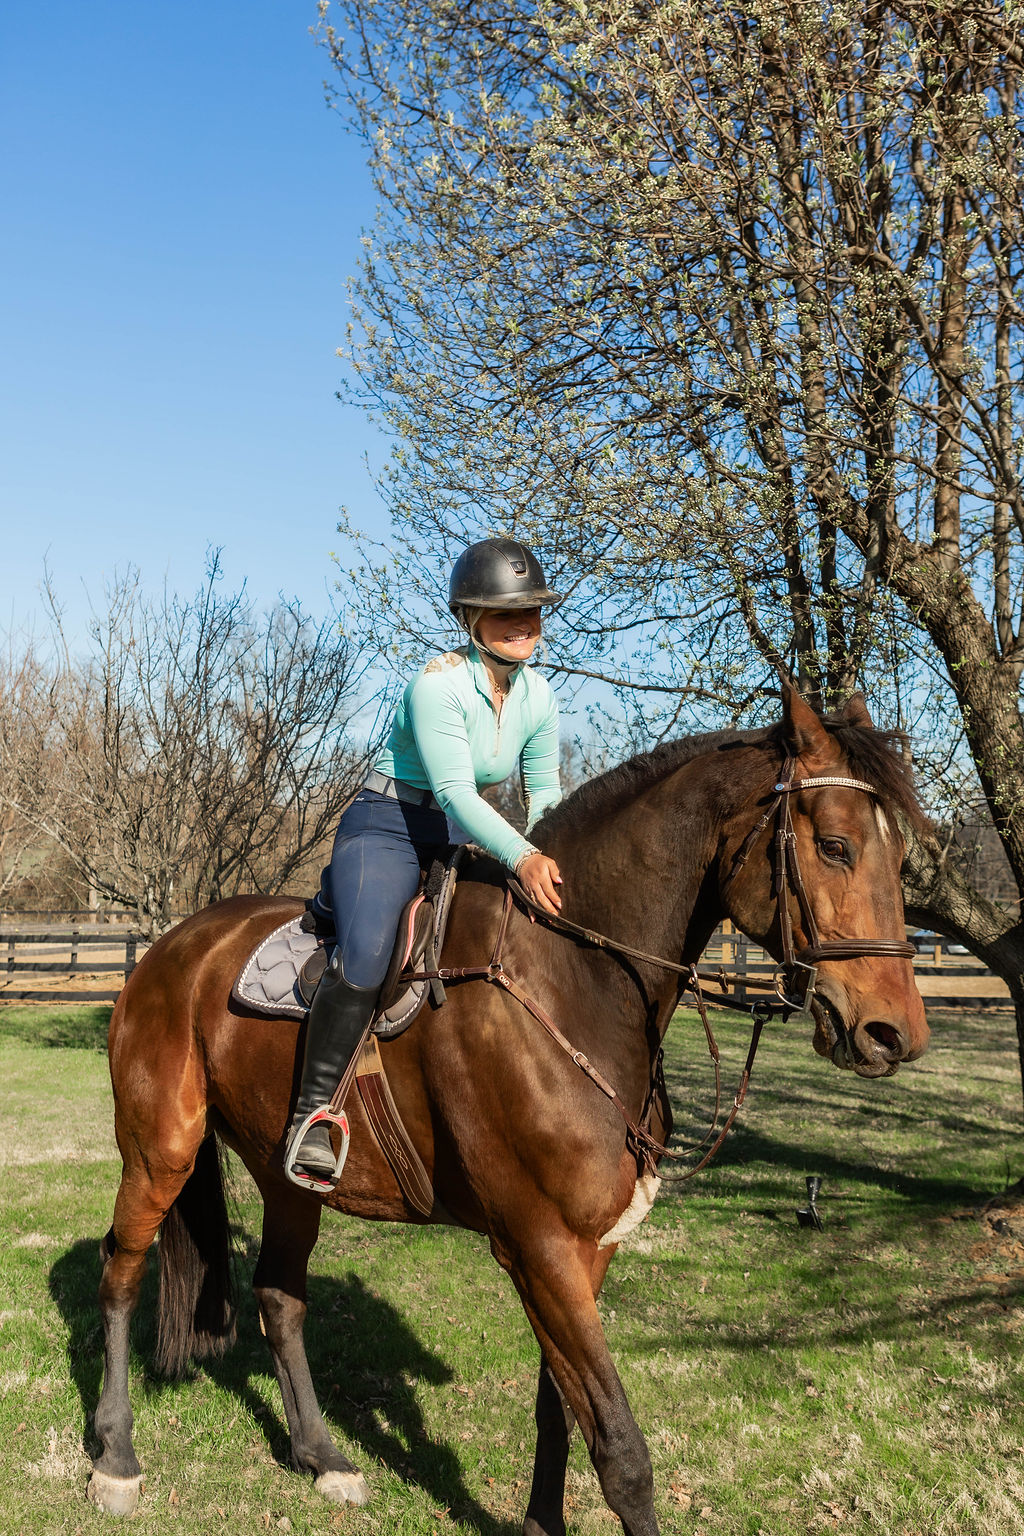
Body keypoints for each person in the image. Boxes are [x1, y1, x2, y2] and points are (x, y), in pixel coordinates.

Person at [284, 536, 565, 1191]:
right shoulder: (437, 685)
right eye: (505, 613)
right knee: (368, 955)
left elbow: (543, 788)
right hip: (388, 824)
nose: (525, 623)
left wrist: (548, 846)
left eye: (533, 610)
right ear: (471, 620)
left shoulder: (540, 697)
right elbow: (455, 793)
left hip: (458, 833)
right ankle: (314, 1112)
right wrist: (521, 854)